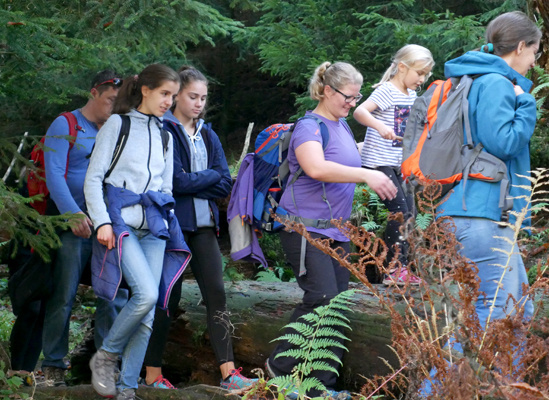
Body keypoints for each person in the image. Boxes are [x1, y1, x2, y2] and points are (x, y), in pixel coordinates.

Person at [421, 11, 540, 395]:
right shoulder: (495, 83)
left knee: (516, 312)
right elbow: (504, 141)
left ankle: (503, 389)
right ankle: (436, 392)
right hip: (480, 215)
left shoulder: (473, 78)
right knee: (495, 319)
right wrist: (528, 106)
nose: (535, 61)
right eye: (534, 51)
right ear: (520, 47)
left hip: (474, 211)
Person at [265, 61, 397, 398]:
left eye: (357, 97)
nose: (353, 103)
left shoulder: (340, 126)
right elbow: (316, 167)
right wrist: (367, 175)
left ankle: (320, 386)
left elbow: (347, 164)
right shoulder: (309, 126)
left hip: (337, 232)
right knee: (320, 299)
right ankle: (278, 370)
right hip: (304, 230)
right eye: (348, 97)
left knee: (337, 307)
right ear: (327, 91)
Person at [140, 65, 256, 390]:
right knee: (168, 298)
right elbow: (175, 181)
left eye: (203, 98)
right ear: (177, 95)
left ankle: (229, 373)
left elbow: (225, 183)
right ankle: (152, 375)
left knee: (217, 295)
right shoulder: (164, 130)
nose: (199, 103)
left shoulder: (208, 133)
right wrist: (207, 180)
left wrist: (199, 182)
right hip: (172, 228)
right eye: (193, 96)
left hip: (205, 228)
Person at [84, 64, 183, 400]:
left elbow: (166, 185)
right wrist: (102, 222)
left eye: (173, 95)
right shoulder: (118, 123)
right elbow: (93, 178)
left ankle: (127, 389)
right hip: (122, 223)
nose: (169, 101)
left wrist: (167, 223)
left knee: (148, 313)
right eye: (164, 93)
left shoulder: (167, 134)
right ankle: (106, 356)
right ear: (145, 90)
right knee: (146, 295)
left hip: (154, 228)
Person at [40, 70, 128, 386]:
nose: (114, 106)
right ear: (94, 93)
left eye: (120, 102)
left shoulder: (116, 130)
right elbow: (54, 175)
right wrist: (72, 214)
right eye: (110, 100)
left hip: (108, 227)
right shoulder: (66, 124)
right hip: (74, 228)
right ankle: (53, 366)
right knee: (63, 295)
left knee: (113, 295)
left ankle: (105, 367)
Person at [353, 44, 434, 286]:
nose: (422, 79)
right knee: (400, 211)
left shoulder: (412, 96)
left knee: (409, 212)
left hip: (399, 165)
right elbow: (359, 111)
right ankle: (393, 271)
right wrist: (380, 127)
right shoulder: (387, 91)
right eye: (419, 73)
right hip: (378, 162)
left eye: (426, 75)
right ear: (401, 67)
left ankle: (402, 269)